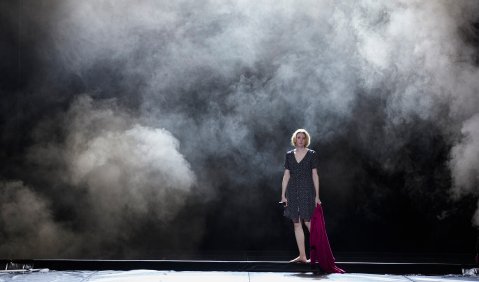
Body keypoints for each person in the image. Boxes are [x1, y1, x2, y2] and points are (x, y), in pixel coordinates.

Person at [281, 128, 321, 263]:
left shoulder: (311, 154)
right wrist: (283, 195)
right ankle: (303, 256)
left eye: (303, 138)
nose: (301, 140)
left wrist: (317, 196)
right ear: (295, 139)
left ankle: (320, 254)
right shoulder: (289, 155)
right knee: (296, 223)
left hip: (307, 190)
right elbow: (286, 175)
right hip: (292, 191)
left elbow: (315, 175)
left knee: (308, 222)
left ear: (306, 140)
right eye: (298, 137)